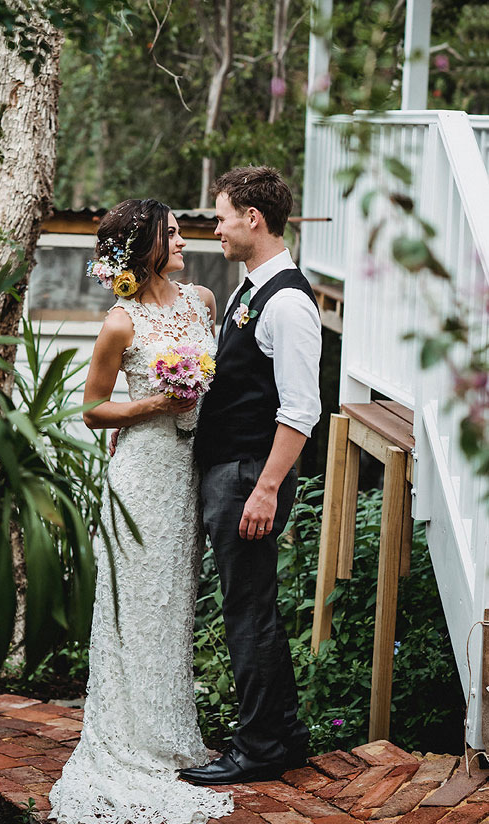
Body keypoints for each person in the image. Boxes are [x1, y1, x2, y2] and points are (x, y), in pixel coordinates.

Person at [48, 198, 233, 824]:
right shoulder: (119, 323)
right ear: (148, 243)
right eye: (174, 234)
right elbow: (92, 408)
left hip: (189, 474)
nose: (185, 240)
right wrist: (155, 405)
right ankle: (131, 740)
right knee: (136, 603)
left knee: (172, 602)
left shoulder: (203, 301)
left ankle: (170, 731)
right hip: (141, 475)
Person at [180, 166, 322, 786]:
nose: (216, 227)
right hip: (233, 470)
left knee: (247, 610)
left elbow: (301, 409)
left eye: (222, 216)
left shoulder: (288, 302)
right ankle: (284, 734)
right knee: (251, 604)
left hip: (248, 477)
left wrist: (265, 488)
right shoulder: (248, 289)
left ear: (253, 219)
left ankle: (259, 746)